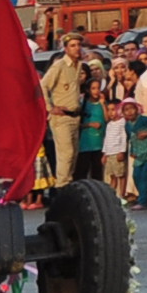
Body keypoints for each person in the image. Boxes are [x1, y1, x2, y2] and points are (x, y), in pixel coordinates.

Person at [42, 33, 92, 190]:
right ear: (65, 48)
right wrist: (50, 108)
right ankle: (62, 186)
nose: (77, 48)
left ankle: (68, 184)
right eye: (73, 45)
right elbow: (43, 85)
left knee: (73, 154)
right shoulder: (59, 66)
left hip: (74, 115)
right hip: (61, 117)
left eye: (78, 45)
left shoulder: (78, 65)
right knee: (66, 153)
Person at [102, 99, 136, 205]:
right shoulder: (109, 124)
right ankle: (111, 196)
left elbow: (123, 137)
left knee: (120, 175)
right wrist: (105, 153)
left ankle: (122, 195)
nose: (111, 112)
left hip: (117, 153)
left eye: (113, 109)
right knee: (112, 176)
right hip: (110, 153)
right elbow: (106, 139)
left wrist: (122, 151)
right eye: (109, 110)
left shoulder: (122, 123)